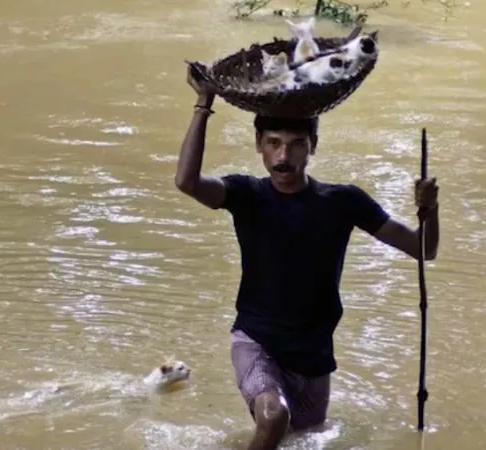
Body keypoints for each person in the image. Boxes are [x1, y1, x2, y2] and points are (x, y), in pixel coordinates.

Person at [174, 67, 440, 450]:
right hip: (256, 340)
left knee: (298, 440)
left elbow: (423, 250)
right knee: (272, 417)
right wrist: (204, 103)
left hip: (314, 355)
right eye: (274, 143)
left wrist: (430, 209)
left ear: (313, 146)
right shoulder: (245, 194)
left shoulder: (343, 201)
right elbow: (187, 182)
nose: (284, 157)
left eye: (297, 144)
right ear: (259, 145)